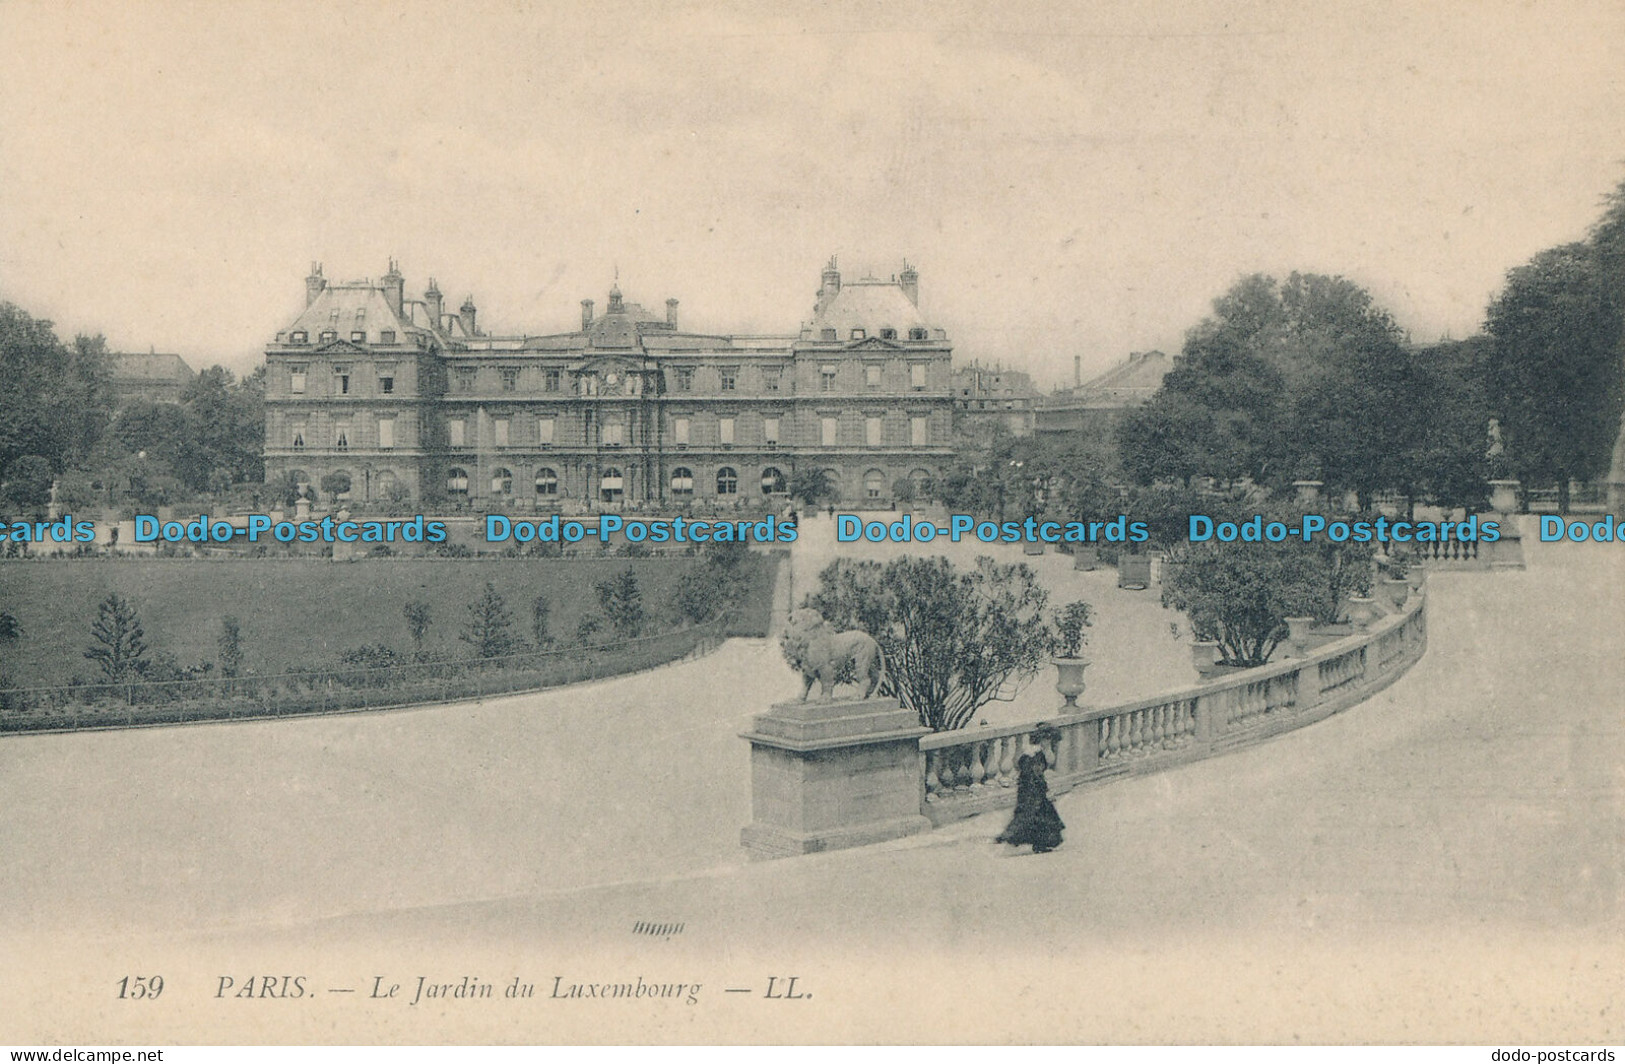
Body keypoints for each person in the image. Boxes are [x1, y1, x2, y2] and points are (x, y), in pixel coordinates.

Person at [995, 750, 1065, 853]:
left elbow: (1043, 789)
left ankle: (1040, 845)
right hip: (1032, 807)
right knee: (1030, 825)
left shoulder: (1039, 778)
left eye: (1041, 765)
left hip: (1042, 806)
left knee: (1045, 826)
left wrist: (1047, 796)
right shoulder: (1027, 780)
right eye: (1035, 765)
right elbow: (1027, 796)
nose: (1038, 768)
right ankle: (1008, 837)